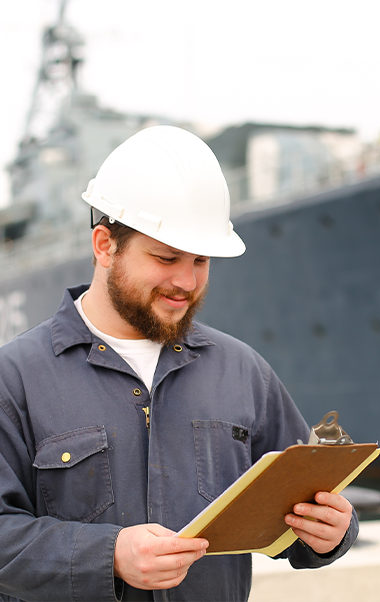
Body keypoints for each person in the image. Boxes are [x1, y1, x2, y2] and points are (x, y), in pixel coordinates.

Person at [0, 126, 357, 602]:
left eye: (201, 261)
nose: (187, 282)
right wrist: (108, 556)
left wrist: (334, 532)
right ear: (104, 245)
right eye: (167, 258)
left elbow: (298, 507)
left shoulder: (243, 370)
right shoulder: (15, 377)